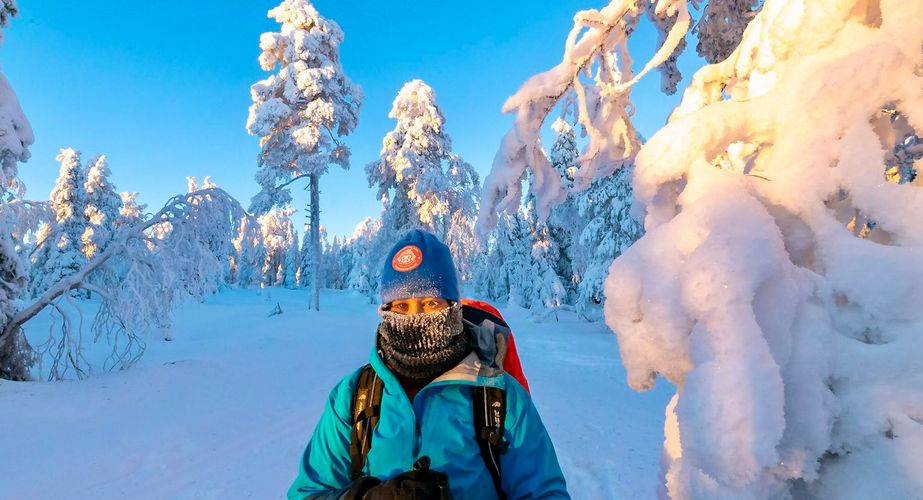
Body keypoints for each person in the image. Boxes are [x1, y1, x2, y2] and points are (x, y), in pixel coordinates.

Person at [288, 229, 569, 499]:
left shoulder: (499, 396)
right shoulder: (354, 396)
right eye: (401, 307)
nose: (415, 318)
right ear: (385, 310)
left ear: (453, 307)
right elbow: (308, 494)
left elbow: (545, 493)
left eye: (431, 304)